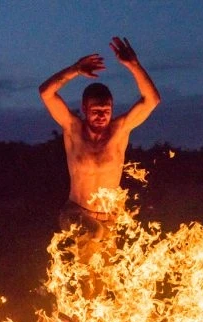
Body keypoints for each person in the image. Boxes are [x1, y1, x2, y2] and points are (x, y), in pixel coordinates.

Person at [39, 36, 160, 270]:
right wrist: (74, 70)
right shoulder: (73, 128)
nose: (102, 115)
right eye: (96, 111)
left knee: (105, 278)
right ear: (84, 109)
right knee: (94, 235)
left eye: (106, 110)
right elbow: (46, 93)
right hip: (76, 212)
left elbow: (152, 100)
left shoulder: (120, 130)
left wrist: (134, 65)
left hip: (110, 218)